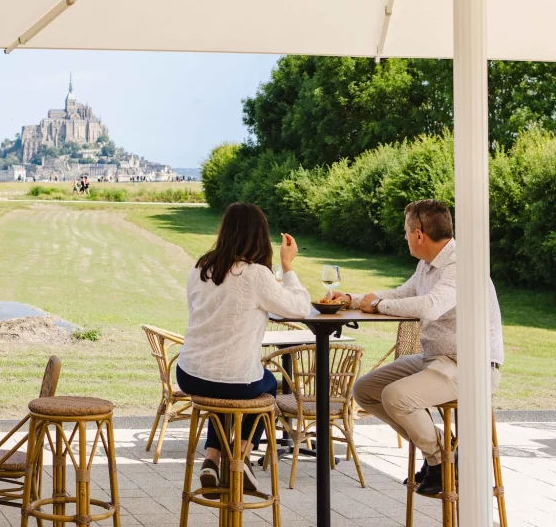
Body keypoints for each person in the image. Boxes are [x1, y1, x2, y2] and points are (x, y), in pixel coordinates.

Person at [330, 199, 504, 495]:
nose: (405, 236)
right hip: (435, 358)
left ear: (419, 234)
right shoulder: (427, 265)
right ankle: (444, 448)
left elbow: (430, 306)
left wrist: (379, 305)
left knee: (396, 396)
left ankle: (440, 462)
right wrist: (352, 299)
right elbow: (402, 294)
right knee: (365, 390)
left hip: (471, 365)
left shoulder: (461, 264)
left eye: (406, 231)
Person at [176, 202, 312, 493]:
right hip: (233, 380)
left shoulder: (201, 267)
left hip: (189, 373)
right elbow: (300, 308)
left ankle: (212, 459)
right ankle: (241, 456)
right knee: (266, 384)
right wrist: (288, 265)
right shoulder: (255, 274)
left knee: (223, 387)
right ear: (259, 236)